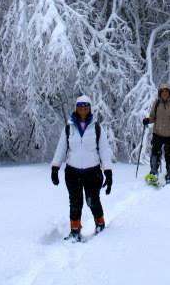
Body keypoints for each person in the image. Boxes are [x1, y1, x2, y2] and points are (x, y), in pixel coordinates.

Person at [50, 95, 113, 242]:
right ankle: (75, 230)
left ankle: (100, 224)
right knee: (75, 202)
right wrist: (55, 168)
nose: (83, 108)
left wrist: (108, 172)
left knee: (93, 200)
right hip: (73, 172)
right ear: (76, 108)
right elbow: (61, 148)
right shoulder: (69, 127)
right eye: (80, 106)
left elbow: (104, 150)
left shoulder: (96, 127)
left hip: (92, 172)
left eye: (86, 106)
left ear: (89, 108)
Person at [142, 84, 170, 184]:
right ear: (160, 93)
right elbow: (152, 117)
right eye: (163, 91)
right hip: (158, 133)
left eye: (166, 91)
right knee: (155, 153)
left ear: (169, 93)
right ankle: (153, 172)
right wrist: (148, 120)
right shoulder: (157, 104)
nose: (164, 93)